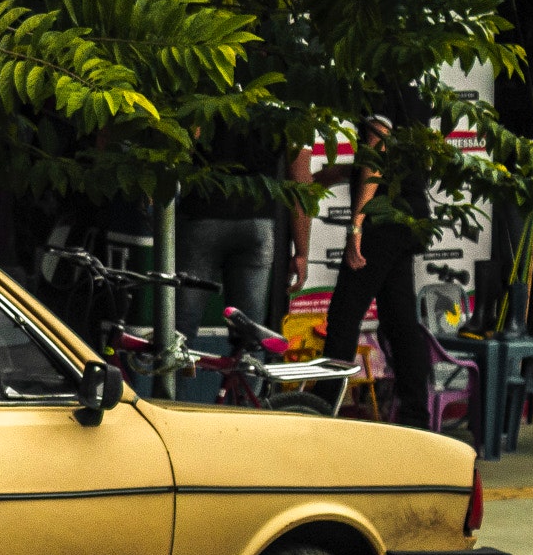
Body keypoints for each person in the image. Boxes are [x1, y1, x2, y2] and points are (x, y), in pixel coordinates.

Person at [321, 99, 433, 428]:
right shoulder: (414, 84)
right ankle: (416, 417)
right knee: (399, 320)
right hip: (409, 212)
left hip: (383, 215)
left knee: (344, 315)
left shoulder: (381, 75)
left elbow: (378, 149)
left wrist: (357, 223)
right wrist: (340, 172)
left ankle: (324, 413)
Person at [174, 123, 294, 336]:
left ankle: (174, 367)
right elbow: (300, 176)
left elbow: (182, 150)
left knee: (180, 329)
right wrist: (302, 251)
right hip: (258, 218)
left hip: (203, 213)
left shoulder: (206, 96)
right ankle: (246, 365)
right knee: (249, 333)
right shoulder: (281, 107)